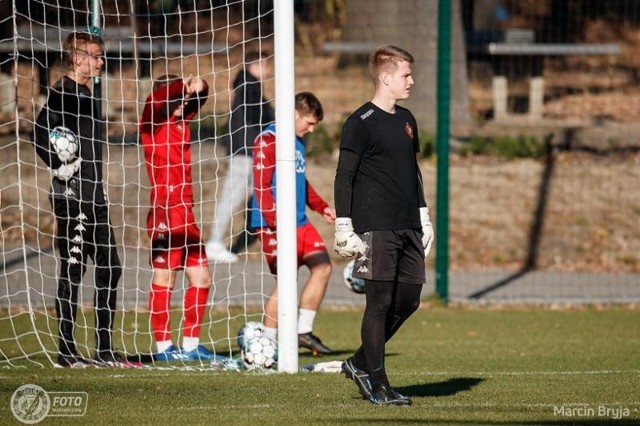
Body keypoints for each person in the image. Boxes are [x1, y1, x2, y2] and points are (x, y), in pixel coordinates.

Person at [333, 45, 434, 405]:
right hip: (375, 226)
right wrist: (344, 224)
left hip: (408, 224)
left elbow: (413, 170)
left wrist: (423, 213)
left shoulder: (407, 119)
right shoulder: (359, 122)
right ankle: (378, 383)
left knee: (409, 300)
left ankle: (360, 362)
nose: (412, 81)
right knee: (378, 303)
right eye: (406, 75)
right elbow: (344, 175)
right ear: (386, 77)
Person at [32, 32, 125, 367]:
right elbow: (39, 133)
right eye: (96, 56)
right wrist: (59, 166)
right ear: (77, 58)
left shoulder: (89, 92)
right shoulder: (62, 92)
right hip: (71, 196)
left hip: (94, 195)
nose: (101, 61)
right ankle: (66, 352)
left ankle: (103, 348)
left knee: (110, 267)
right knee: (73, 270)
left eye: (102, 56)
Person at [251, 92, 335, 355]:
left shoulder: (297, 142)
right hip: (273, 224)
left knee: (323, 267)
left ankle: (303, 331)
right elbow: (261, 186)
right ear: (295, 114)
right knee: (286, 282)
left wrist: (321, 207)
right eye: (308, 123)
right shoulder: (268, 139)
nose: (310, 130)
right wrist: (276, 223)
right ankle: (267, 342)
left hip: (299, 221)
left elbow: (302, 181)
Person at [139, 74, 215, 362]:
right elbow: (159, 98)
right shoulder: (152, 119)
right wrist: (183, 86)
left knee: (202, 277)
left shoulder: (181, 120)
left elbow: (202, 94)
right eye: (178, 98)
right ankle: (163, 347)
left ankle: (192, 344)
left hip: (186, 213)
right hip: (164, 211)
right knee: (165, 277)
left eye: (184, 101)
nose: (184, 103)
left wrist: (199, 86)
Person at [206, 51, 274, 263]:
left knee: (262, 196)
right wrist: (272, 118)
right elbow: (257, 115)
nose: (270, 69)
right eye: (267, 64)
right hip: (245, 151)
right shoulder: (249, 87)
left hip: (248, 150)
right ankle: (214, 243)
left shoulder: (249, 86)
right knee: (232, 196)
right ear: (258, 64)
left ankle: (270, 240)